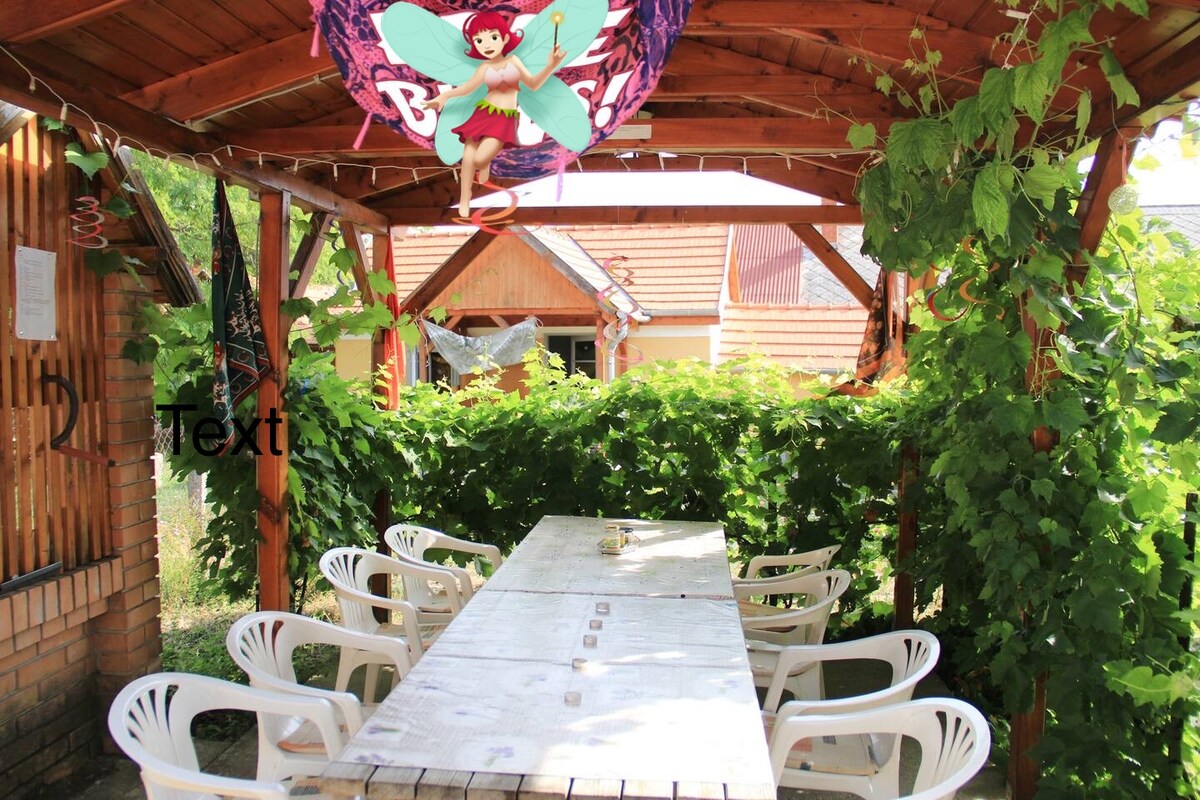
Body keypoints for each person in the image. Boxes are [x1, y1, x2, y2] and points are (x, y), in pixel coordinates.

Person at [421, 11, 567, 217]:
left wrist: (551, 66)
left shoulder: (514, 60)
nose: (487, 45)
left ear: (505, 38)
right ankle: (465, 198)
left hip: (504, 118)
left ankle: (486, 163)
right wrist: (445, 96)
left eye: (493, 37)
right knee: (468, 156)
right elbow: (467, 88)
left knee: (479, 159)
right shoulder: (484, 67)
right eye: (479, 40)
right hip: (483, 111)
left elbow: (533, 84)